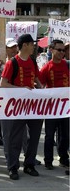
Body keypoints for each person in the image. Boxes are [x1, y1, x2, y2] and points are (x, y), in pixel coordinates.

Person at [0, 34, 43, 180]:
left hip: (33, 106)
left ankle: (29, 164)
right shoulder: (12, 63)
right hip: (16, 106)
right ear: (25, 45)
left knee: (35, 136)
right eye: (32, 44)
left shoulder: (32, 61)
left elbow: (36, 79)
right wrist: (21, 89)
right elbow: (3, 84)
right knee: (15, 138)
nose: (34, 47)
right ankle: (13, 167)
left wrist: (44, 90)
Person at [39, 39, 69, 170]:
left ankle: (64, 158)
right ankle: (48, 160)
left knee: (65, 134)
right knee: (50, 135)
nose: (62, 53)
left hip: (66, 107)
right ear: (51, 50)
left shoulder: (67, 65)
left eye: (63, 50)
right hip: (51, 107)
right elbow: (39, 86)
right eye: (59, 50)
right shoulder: (46, 68)